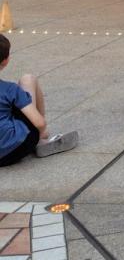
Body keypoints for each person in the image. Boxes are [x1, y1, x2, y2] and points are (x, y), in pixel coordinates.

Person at [0, 35, 78, 166]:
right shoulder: (10, 89)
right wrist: (41, 130)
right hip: (12, 151)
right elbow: (40, 123)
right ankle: (41, 139)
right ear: (6, 60)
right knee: (28, 79)